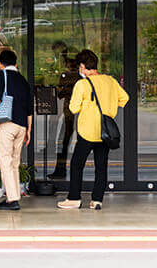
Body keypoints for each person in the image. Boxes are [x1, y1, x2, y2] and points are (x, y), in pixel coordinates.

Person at [58, 49, 128, 210]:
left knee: (77, 164)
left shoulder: (82, 84)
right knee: (101, 166)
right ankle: (97, 200)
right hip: (105, 132)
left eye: (79, 67)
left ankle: (74, 198)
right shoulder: (110, 81)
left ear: (82, 66)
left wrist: (87, 106)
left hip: (87, 131)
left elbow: (74, 108)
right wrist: (109, 106)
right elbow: (124, 98)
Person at [0, 49, 33, 211]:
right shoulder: (23, 80)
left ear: (1, 64)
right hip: (21, 125)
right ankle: (13, 197)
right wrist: (29, 130)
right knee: (14, 162)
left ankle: (12, 199)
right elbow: (29, 108)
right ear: (16, 63)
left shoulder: (1, 76)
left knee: (5, 161)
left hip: (7, 124)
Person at [49, 45, 79, 179]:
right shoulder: (80, 77)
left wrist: (62, 88)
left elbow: (60, 94)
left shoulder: (68, 76)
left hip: (70, 114)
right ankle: (63, 170)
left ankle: (61, 169)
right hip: (73, 114)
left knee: (64, 141)